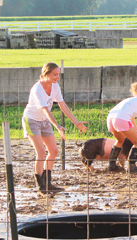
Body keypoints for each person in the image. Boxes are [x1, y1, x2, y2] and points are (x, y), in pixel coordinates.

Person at [23, 62, 87, 195]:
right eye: (54, 75)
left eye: (58, 75)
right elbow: (46, 110)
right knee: (41, 152)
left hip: (45, 121)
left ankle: (48, 183)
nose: (57, 77)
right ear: (45, 74)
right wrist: (57, 126)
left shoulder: (55, 86)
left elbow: (62, 105)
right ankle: (40, 186)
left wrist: (76, 122)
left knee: (54, 151)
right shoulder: (37, 89)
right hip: (32, 120)